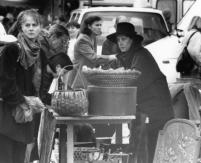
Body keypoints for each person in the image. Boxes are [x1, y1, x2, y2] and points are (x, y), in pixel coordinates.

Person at [110, 22, 174, 163]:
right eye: (119, 39)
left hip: (156, 110)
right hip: (144, 109)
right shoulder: (128, 56)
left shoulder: (141, 55)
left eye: (124, 39)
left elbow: (133, 81)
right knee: (140, 148)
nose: (120, 43)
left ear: (132, 40)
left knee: (149, 149)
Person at [0, 9, 45, 163]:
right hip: (7, 111)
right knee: (4, 157)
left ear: (40, 27)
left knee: (19, 157)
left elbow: (41, 81)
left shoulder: (38, 52)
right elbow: (3, 78)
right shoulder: (13, 48)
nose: (31, 28)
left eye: (35, 25)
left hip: (24, 115)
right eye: (27, 25)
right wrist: (21, 100)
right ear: (21, 27)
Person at [68, 15, 116, 89]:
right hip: (78, 79)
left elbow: (94, 61)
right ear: (89, 26)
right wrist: (111, 57)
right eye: (97, 25)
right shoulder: (83, 39)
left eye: (100, 25)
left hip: (88, 77)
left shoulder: (93, 37)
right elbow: (94, 58)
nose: (99, 27)